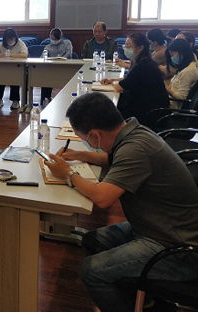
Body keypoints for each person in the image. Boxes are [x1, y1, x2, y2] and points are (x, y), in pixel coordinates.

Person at [44, 92, 198, 312]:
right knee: (92, 241)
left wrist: (68, 174)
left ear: (95, 134)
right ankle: (141, 298)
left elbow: (102, 198)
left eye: (85, 139)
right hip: (158, 227)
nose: (88, 144)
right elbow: (114, 159)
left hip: (177, 249)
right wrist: (81, 155)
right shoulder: (135, 133)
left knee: (90, 271)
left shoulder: (136, 149)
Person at [100, 33, 168, 125]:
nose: (125, 49)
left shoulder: (143, 66)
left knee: (110, 111)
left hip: (149, 112)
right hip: (147, 105)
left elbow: (120, 87)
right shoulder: (143, 61)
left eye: (128, 46)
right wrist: (112, 80)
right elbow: (129, 79)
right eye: (125, 46)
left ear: (140, 48)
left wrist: (113, 83)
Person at [0, 28, 28, 110]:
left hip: (16, 69)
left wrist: (10, 55)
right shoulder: (1, 44)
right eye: (8, 40)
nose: (10, 42)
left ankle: (15, 101)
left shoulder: (20, 44)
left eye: (12, 39)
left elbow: (24, 55)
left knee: (15, 80)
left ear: (15, 38)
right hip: (3, 69)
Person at [41, 28, 73, 104]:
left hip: (65, 67)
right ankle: (47, 96)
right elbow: (42, 57)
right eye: (52, 39)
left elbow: (69, 53)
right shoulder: (48, 47)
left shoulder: (67, 43)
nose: (54, 41)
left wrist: (62, 59)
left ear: (61, 37)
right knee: (45, 75)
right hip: (51, 68)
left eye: (55, 39)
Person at [165, 38, 198, 109]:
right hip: (171, 103)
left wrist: (167, 89)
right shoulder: (185, 68)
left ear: (182, 52)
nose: (172, 58)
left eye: (172, 55)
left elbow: (182, 97)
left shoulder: (188, 71)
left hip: (174, 108)